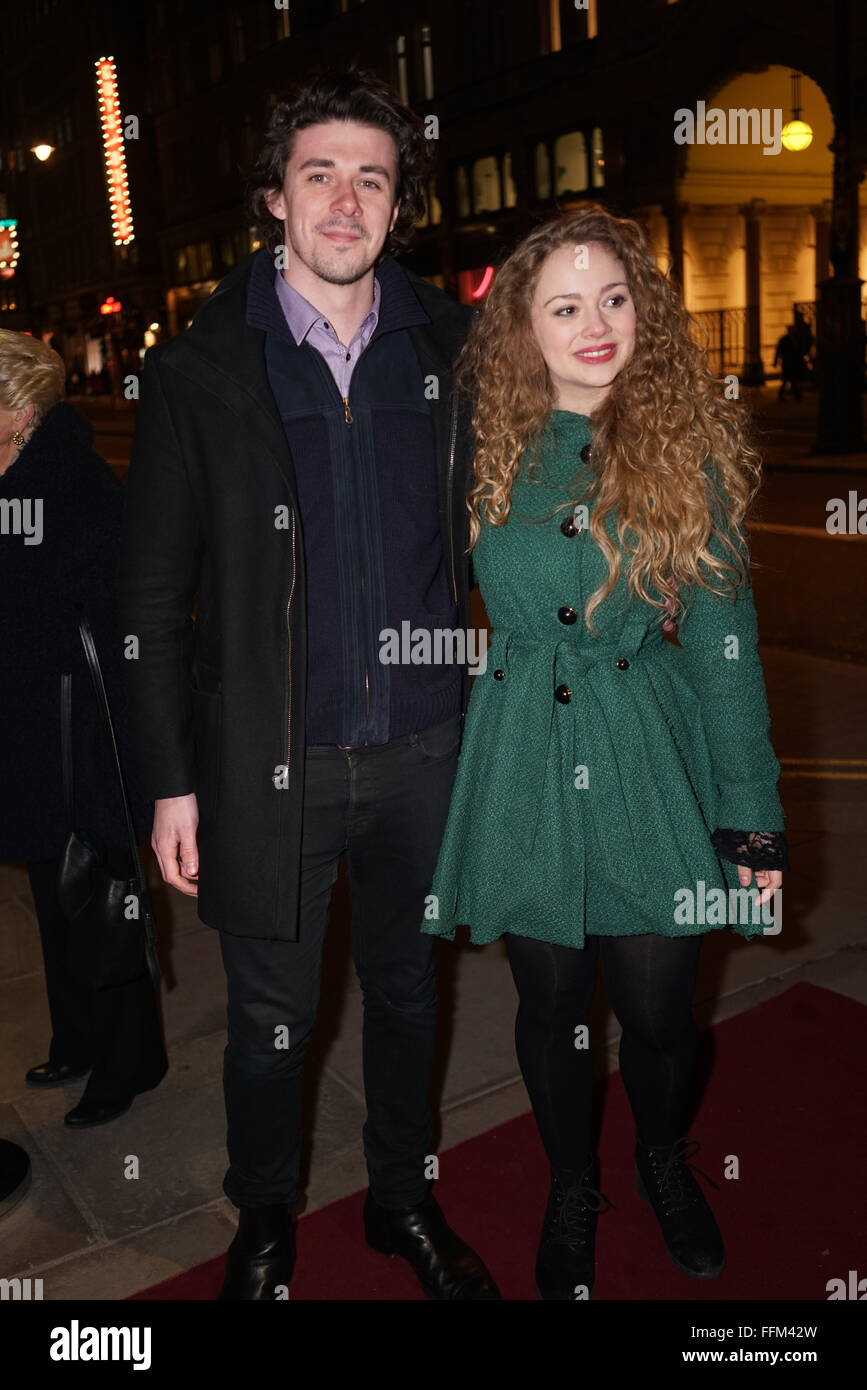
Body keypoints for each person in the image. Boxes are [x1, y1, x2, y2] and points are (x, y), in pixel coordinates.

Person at [117, 68, 500, 1301]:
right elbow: (146, 602)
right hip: (265, 765)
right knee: (270, 1027)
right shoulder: (197, 371)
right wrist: (172, 784)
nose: (346, 200)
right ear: (275, 198)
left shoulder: (457, 347)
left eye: (373, 178)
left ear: (399, 204)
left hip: (425, 757)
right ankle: (266, 1218)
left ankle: (401, 1201)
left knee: (405, 996)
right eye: (320, 174)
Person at [421, 205, 788, 1300]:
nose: (596, 324)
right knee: (551, 1007)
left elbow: (726, 646)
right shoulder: (477, 444)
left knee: (662, 1006)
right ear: (523, 328)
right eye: (565, 305)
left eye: (615, 299)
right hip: (527, 747)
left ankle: (664, 1158)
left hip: (646, 748)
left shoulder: (685, 448)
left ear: (645, 312)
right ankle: (572, 1183)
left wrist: (752, 814)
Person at [0, 329, 167, 1127]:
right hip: (27, 727)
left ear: (20, 410)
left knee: (102, 893)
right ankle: (76, 1036)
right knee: (51, 892)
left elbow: (110, 610)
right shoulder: (8, 473)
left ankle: (130, 1060)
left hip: (80, 728)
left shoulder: (73, 480)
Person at [774, 323, 804, 400]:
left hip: (793, 362)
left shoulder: (796, 338)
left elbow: (799, 351)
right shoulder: (784, 339)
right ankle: (796, 395)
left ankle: (796, 394)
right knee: (788, 379)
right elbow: (778, 351)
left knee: (792, 379)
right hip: (787, 362)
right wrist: (775, 361)